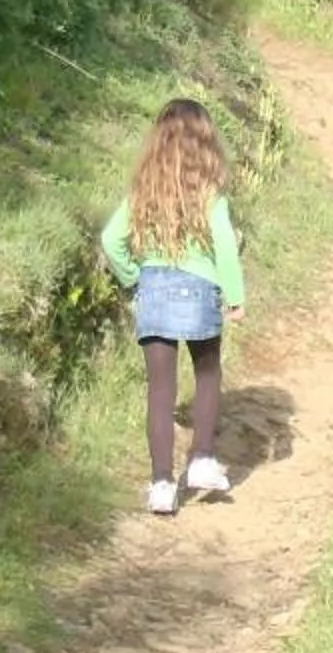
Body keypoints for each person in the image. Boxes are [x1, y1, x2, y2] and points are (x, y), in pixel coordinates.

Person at [100, 97, 246, 515]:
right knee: (207, 372)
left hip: (155, 291)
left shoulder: (143, 194)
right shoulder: (210, 196)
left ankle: (162, 484)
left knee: (160, 392)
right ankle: (201, 457)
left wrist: (134, 278)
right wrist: (235, 298)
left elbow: (112, 240)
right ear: (205, 143)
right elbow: (225, 249)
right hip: (200, 290)